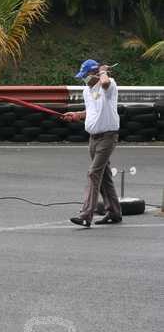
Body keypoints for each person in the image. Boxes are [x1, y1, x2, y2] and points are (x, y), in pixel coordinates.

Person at [63, 59, 122, 227]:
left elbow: (104, 83)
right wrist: (76, 115)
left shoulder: (109, 86)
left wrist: (103, 71)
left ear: (95, 73)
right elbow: (91, 110)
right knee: (104, 176)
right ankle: (114, 212)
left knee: (93, 173)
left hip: (107, 137)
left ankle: (86, 214)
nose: (84, 79)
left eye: (86, 76)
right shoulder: (87, 91)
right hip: (93, 138)